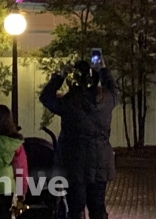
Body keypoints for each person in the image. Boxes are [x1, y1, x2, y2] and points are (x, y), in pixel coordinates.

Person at [39, 58, 117, 219]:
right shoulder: (107, 100)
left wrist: (60, 75)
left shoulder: (69, 103)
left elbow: (46, 97)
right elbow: (113, 89)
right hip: (100, 162)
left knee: (76, 209)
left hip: (74, 163)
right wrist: (103, 70)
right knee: (98, 208)